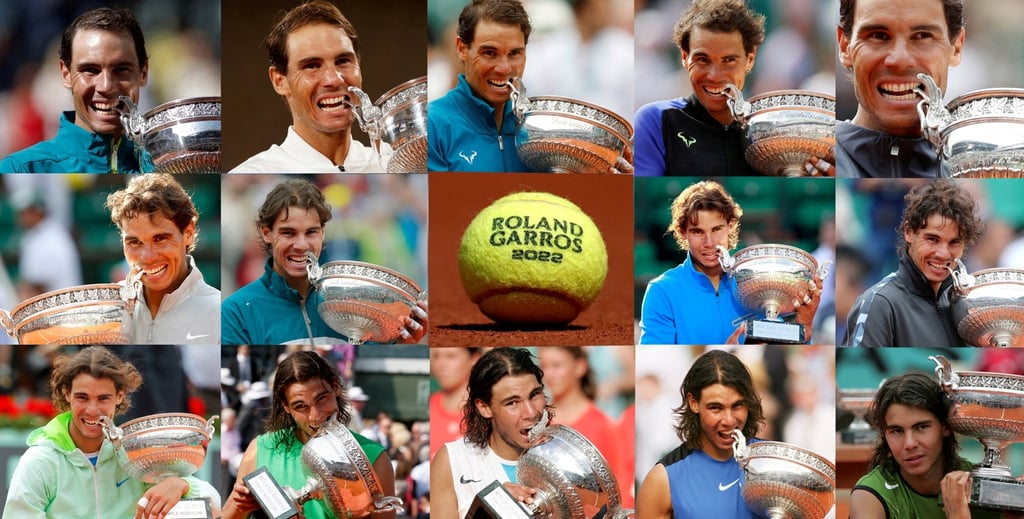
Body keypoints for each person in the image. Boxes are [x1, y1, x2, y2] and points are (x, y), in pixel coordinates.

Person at [2, 346, 220, 519]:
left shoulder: (134, 453)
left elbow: (213, 502)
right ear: (67, 394)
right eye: (82, 397)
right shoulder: (40, 461)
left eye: (103, 398)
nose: (93, 410)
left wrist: (181, 484)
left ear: (119, 396)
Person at [427, 0, 631, 174]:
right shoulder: (434, 124)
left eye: (515, 53)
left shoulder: (535, 130)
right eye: (489, 53)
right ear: (463, 50)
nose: (504, 68)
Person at [633, 0, 833, 177]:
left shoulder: (766, 134)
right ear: (685, 58)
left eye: (729, 60)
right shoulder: (655, 121)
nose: (715, 75)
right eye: (703, 60)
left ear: (750, 59)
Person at [221, 178, 427, 345]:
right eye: (288, 233)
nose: (301, 245)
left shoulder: (355, 302)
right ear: (266, 233)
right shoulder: (237, 312)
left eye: (311, 232)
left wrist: (403, 344)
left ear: (323, 233)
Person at [638, 180, 822, 344]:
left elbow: (781, 351)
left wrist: (803, 326)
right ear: (683, 233)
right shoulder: (662, 291)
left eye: (717, 229)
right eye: (698, 232)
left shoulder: (757, 280)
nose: (709, 243)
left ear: (731, 226)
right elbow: (656, 359)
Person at [223, 350, 397, 519]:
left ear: (335, 388)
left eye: (321, 399)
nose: (315, 415)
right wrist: (238, 506)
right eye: (301, 406)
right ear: (286, 407)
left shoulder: (375, 459)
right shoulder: (260, 449)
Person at [230, 0, 388, 173]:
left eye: (343, 61)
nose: (334, 79)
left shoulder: (395, 161)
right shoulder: (254, 171)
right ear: (279, 81)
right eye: (312, 66)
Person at [0, 7, 152, 173]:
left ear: (143, 73)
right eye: (90, 70)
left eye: (121, 69)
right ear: (66, 74)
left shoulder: (167, 164)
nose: (106, 86)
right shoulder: (20, 169)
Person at [843, 179, 984, 347]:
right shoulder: (879, 304)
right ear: (909, 232)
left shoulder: (969, 307)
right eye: (932, 239)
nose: (943, 253)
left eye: (954, 242)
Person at [836, 0, 965, 178]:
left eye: (922, 35)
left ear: (956, 47)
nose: (900, 60)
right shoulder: (810, 158)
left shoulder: (974, 167)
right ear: (844, 47)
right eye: (878, 35)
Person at [849, 371, 1002, 519]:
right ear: (885, 435)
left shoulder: (981, 485)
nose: (909, 444)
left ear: (946, 427)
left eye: (921, 427)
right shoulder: (869, 495)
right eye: (897, 431)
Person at [635, 349, 765, 518]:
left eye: (737, 406)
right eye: (716, 408)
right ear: (694, 403)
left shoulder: (775, 464)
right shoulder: (662, 480)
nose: (729, 420)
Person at [433, 347, 553, 519]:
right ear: (484, 407)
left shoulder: (569, 457)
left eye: (535, 395)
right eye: (512, 402)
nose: (531, 412)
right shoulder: (453, 459)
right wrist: (486, 509)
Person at [105, 174, 220, 344]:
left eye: (160, 239)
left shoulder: (220, 312)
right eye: (135, 242)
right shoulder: (106, 306)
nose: (148, 257)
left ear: (188, 232)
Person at [429, 347, 481, 460]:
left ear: (474, 359)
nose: (441, 364)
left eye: (451, 356)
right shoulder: (429, 407)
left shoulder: (486, 412)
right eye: (436, 356)